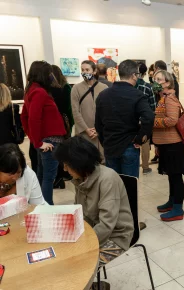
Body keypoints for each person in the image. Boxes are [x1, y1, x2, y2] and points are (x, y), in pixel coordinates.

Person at [54, 136, 134, 290]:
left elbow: (106, 225)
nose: (64, 169)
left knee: (78, 265)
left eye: (66, 165)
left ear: (79, 163)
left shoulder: (107, 179)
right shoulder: (81, 178)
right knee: (63, 257)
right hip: (94, 233)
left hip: (117, 236)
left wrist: (81, 245)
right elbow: (80, 214)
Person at [95, 60, 154, 179]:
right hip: (129, 145)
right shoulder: (137, 95)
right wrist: (140, 138)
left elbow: (98, 123)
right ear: (133, 75)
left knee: (114, 186)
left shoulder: (103, 95)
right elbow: (149, 117)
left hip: (110, 145)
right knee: (129, 187)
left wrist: (104, 141)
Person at [21, 61, 66, 205]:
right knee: (48, 177)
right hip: (49, 140)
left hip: (45, 140)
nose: (51, 76)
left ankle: (40, 205)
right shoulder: (39, 92)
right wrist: (38, 142)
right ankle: (47, 207)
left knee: (42, 174)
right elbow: (33, 118)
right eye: (48, 73)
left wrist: (36, 141)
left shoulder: (32, 90)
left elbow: (25, 117)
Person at [153, 70, 184, 222]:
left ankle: (178, 209)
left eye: (159, 79)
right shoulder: (163, 98)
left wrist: (152, 122)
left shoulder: (170, 99)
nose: (155, 82)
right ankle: (172, 201)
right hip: (166, 144)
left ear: (167, 82)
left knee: (176, 176)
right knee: (171, 176)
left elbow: (172, 120)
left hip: (173, 144)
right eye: (154, 79)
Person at [71, 60, 108, 155]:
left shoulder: (104, 88)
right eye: (82, 70)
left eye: (87, 69)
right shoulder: (76, 88)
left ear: (94, 71)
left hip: (101, 131)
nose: (84, 72)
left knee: (102, 158)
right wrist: (86, 129)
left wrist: (99, 129)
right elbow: (75, 111)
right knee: (86, 158)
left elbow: (107, 110)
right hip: (84, 132)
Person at [50, 65, 74, 189]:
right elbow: (69, 109)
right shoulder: (66, 88)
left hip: (56, 124)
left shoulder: (50, 89)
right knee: (64, 149)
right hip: (65, 123)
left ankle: (60, 176)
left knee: (58, 150)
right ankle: (65, 173)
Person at [134, 63, 156, 175]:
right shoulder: (148, 87)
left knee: (132, 142)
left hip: (131, 120)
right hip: (144, 120)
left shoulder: (130, 86)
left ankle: (134, 166)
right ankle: (145, 167)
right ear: (145, 73)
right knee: (145, 143)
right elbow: (153, 106)